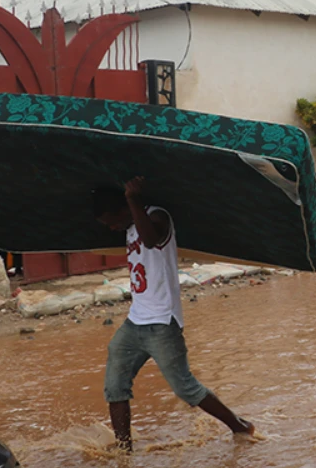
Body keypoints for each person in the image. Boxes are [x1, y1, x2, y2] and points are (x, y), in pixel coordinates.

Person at [95, 179, 254, 452]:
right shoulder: (130, 227)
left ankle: (240, 426)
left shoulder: (157, 216)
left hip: (162, 323)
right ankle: (124, 451)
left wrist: (133, 199)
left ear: (126, 208)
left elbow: (153, 239)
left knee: (185, 388)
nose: (111, 228)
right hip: (136, 321)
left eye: (112, 221)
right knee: (115, 385)